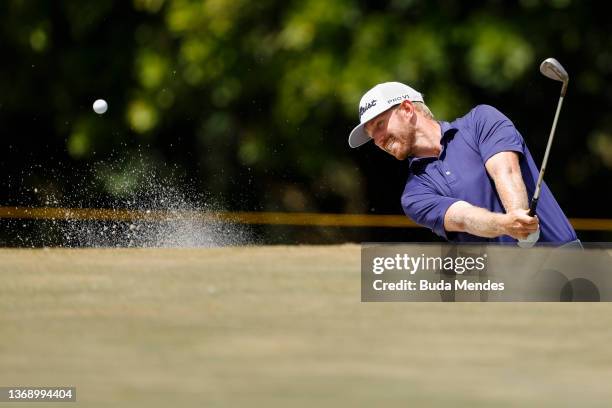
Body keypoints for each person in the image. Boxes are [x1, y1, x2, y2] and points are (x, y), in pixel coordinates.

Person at [348, 81, 579, 245]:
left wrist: (518, 215)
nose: (377, 140)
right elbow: (463, 218)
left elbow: (505, 171)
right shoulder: (414, 195)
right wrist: (506, 224)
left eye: (379, 124)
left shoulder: (481, 121)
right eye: (371, 135)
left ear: (407, 109)